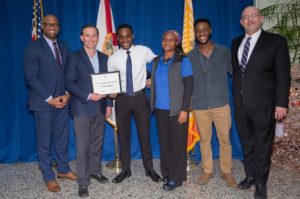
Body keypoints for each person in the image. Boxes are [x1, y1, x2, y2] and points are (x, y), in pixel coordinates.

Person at [232, 6, 291, 199]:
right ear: (241, 22)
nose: (249, 19)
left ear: (261, 18)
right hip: (240, 104)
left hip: (265, 104)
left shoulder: (276, 41)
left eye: (253, 16)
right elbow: (240, 74)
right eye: (245, 17)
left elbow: (283, 75)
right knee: (247, 143)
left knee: (263, 145)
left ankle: (260, 183)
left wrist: (281, 103)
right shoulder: (236, 43)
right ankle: (250, 175)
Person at [23, 14, 76, 192]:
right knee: (44, 141)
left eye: (55, 24)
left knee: (62, 139)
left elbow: (69, 74)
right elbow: (31, 78)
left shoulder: (63, 47)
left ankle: (62, 169)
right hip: (43, 103)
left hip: (63, 101)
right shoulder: (33, 47)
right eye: (48, 24)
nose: (52, 27)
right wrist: (49, 99)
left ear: (59, 27)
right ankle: (48, 176)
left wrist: (68, 94)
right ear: (43, 26)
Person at [107, 24, 161, 183]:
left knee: (145, 135)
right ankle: (125, 170)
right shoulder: (113, 58)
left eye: (127, 36)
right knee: (123, 136)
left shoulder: (144, 50)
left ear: (133, 36)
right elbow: (110, 81)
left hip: (140, 98)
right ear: (118, 38)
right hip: (122, 99)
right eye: (121, 37)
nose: (125, 39)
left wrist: (153, 77)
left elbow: (159, 62)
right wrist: (111, 91)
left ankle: (149, 169)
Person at [187, 18, 237, 187]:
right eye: (198, 31)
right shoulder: (190, 56)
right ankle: (207, 171)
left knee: (225, 141)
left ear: (210, 31)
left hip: (221, 104)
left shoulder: (224, 52)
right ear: (195, 34)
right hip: (200, 106)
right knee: (204, 141)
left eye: (204, 30)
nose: (202, 33)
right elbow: (185, 82)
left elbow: (236, 73)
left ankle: (227, 172)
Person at [64, 25, 112, 198]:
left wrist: (109, 104)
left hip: (100, 108)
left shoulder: (104, 57)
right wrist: (89, 95)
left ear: (98, 38)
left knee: (97, 144)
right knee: (82, 147)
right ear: (81, 37)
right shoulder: (73, 57)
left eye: (94, 36)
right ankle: (83, 182)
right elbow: (69, 83)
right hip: (82, 108)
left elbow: (108, 83)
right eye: (87, 36)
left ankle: (95, 171)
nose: (91, 39)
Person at [148, 30, 193, 191]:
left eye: (171, 40)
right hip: (159, 110)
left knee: (178, 144)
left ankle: (177, 177)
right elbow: (148, 77)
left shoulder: (183, 61)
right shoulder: (155, 61)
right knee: (165, 144)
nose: (167, 42)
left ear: (176, 42)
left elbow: (189, 87)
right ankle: (167, 173)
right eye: (165, 39)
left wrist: (184, 110)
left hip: (177, 110)